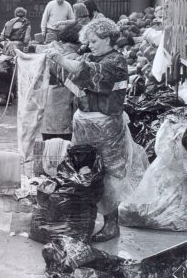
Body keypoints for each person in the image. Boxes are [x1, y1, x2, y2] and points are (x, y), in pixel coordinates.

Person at [47, 18, 129, 242]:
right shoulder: (94, 56)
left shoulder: (116, 62)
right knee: (82, 170)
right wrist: (57, 65)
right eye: (88, 41)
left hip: (106, 126)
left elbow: (88, 72)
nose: (90, 45)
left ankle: (112, 223)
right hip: (85, 122)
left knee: (110, 172)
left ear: (108, 39)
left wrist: (62, 59)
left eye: (94, 41)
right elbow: (72, 81)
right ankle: (84, 218)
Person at [42, 21, 82, 141]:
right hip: (63, 112)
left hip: (48, 111)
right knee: (63, 151)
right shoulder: (72, 57)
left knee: (50, 150)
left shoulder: (49, 51)